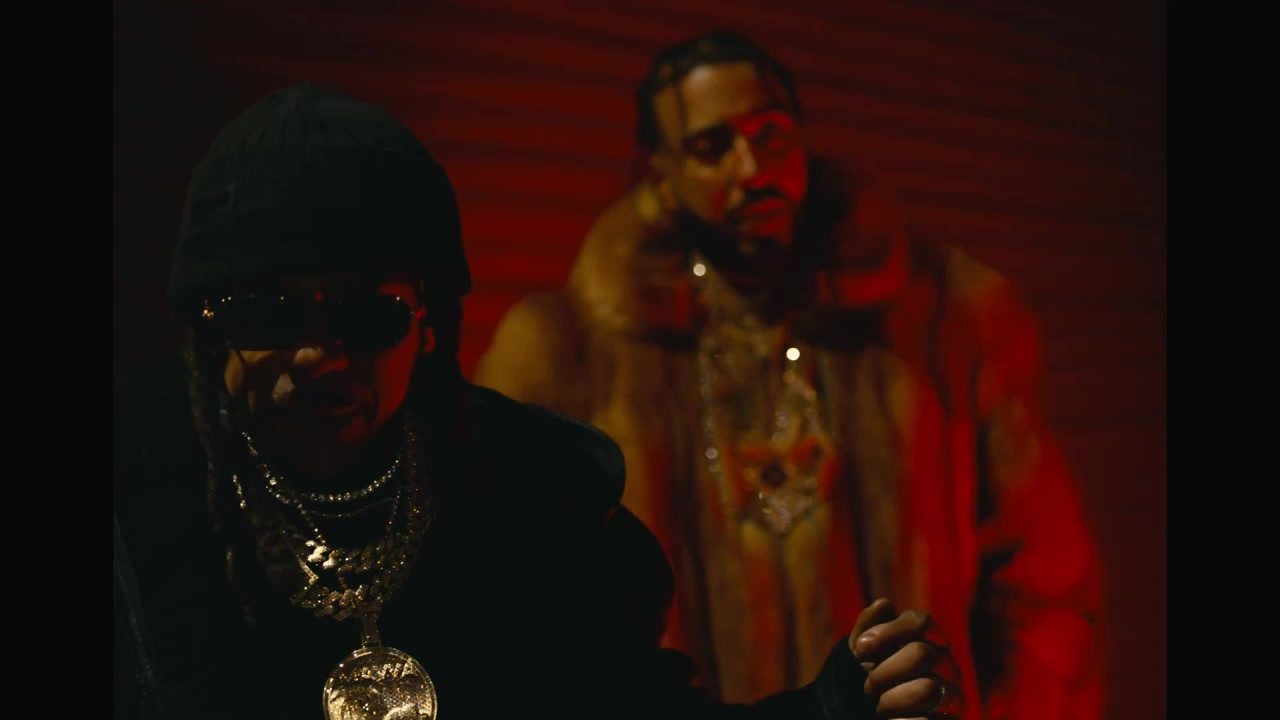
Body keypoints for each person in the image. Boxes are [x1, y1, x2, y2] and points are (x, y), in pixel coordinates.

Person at [112, 81, 967, 720]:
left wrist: (828, 707)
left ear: (429, 324)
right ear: (207, 327)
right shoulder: (133, 506)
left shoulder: (531, 501)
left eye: (369, 314)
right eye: (267, 313)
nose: (317, 355)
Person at [474, 31, 1104, 719]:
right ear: (661, 172)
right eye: (712, 147)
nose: (753, 169)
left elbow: (1043, 588)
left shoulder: (946, 323)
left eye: (771, 136)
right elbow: (521, 622)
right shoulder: (569, 357)